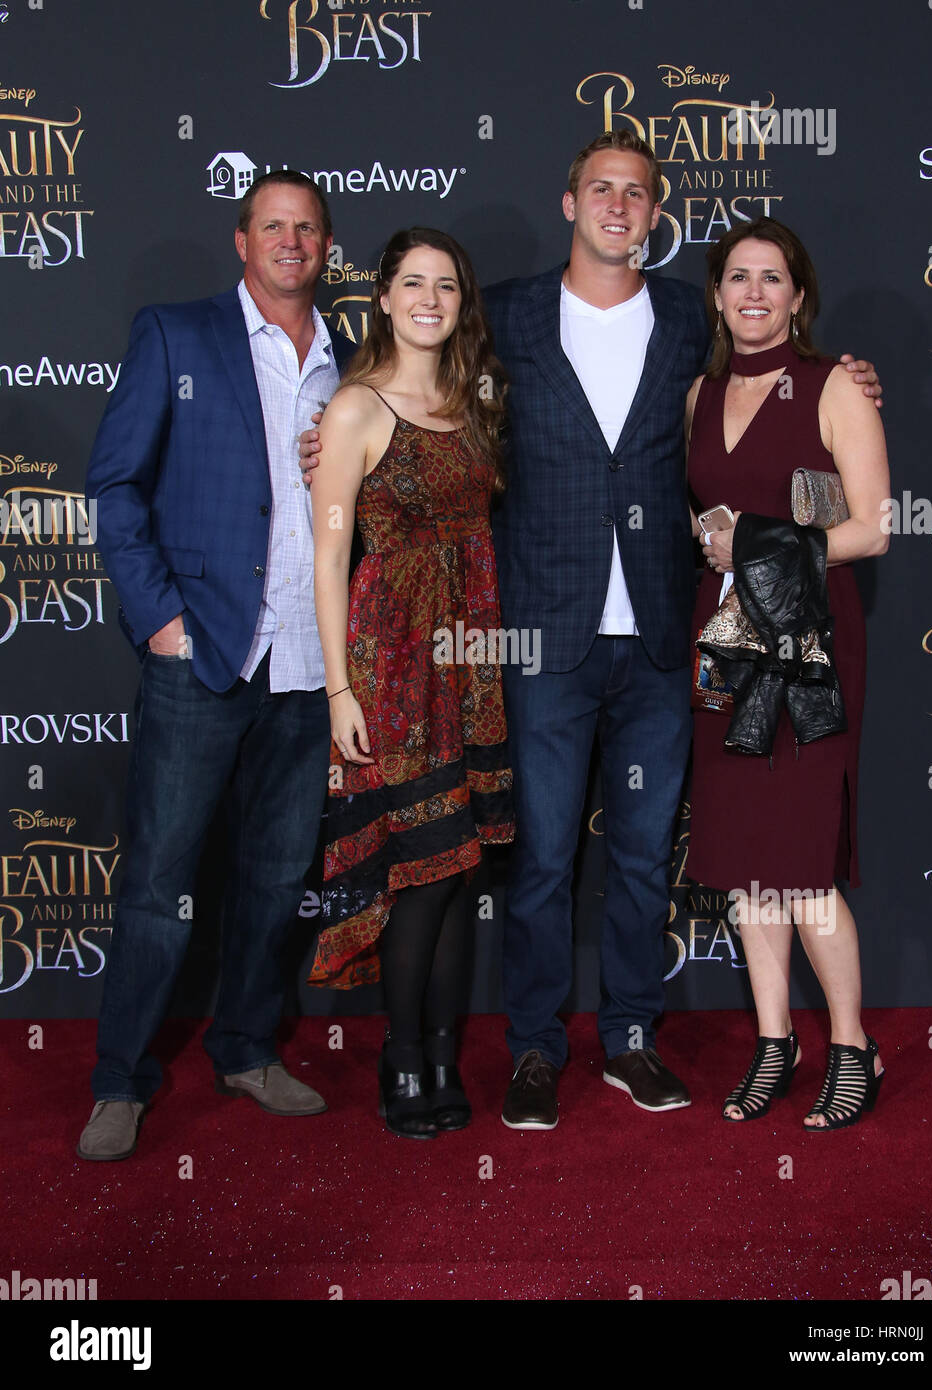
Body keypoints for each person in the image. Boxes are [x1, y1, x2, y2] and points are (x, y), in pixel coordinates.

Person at [299, 132, 882, 1131]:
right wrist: (335, 429)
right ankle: (533, 1049)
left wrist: (842, 380)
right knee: (539, 857)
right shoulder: (509, 316)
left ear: (655, 218)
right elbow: (426, 399)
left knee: (643, 854)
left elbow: (774, 395)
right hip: (538, 638)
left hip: (665, 638)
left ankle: (628, 1038)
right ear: (568, 203)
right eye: (599, 189)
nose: (618, 205)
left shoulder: (688, 331)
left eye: (637, 194)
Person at [78, 171, 356, 1161]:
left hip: (304, 661)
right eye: (273, 225)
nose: (291, 240)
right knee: (158, 882)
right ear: (241, 240)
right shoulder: (175, 335)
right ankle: (120, 1078)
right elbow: (114, 484)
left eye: (308, 227)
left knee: (278, 875)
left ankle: (244, 1046)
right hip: (201, 656)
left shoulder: (349, 362)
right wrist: (159, 618)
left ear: (327, 246)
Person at [308, 227, 514, 1139]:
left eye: (448, 285)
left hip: (470, 660)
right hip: (392, 662)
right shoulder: (355, 408)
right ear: (383, 297)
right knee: (420, 876)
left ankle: (441, 1054)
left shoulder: (475, 399)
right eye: (414, 283)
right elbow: (328, 559)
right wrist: (339, 692)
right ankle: (401, 1059)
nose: (431, 298)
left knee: (459, 866)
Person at [686, 216, 889, 1130]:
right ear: (719, 295)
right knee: (743, 871)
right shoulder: (699, 393)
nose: (755, 293)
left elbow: (874, 526)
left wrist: (753, 542)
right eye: (739, 277)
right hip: (726, 642)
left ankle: (852, 1045)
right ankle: (776, 1042)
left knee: (803, 871)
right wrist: (713, 543)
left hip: (808, 648)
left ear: (798, 296)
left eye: (773, 278)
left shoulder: (833, 387)